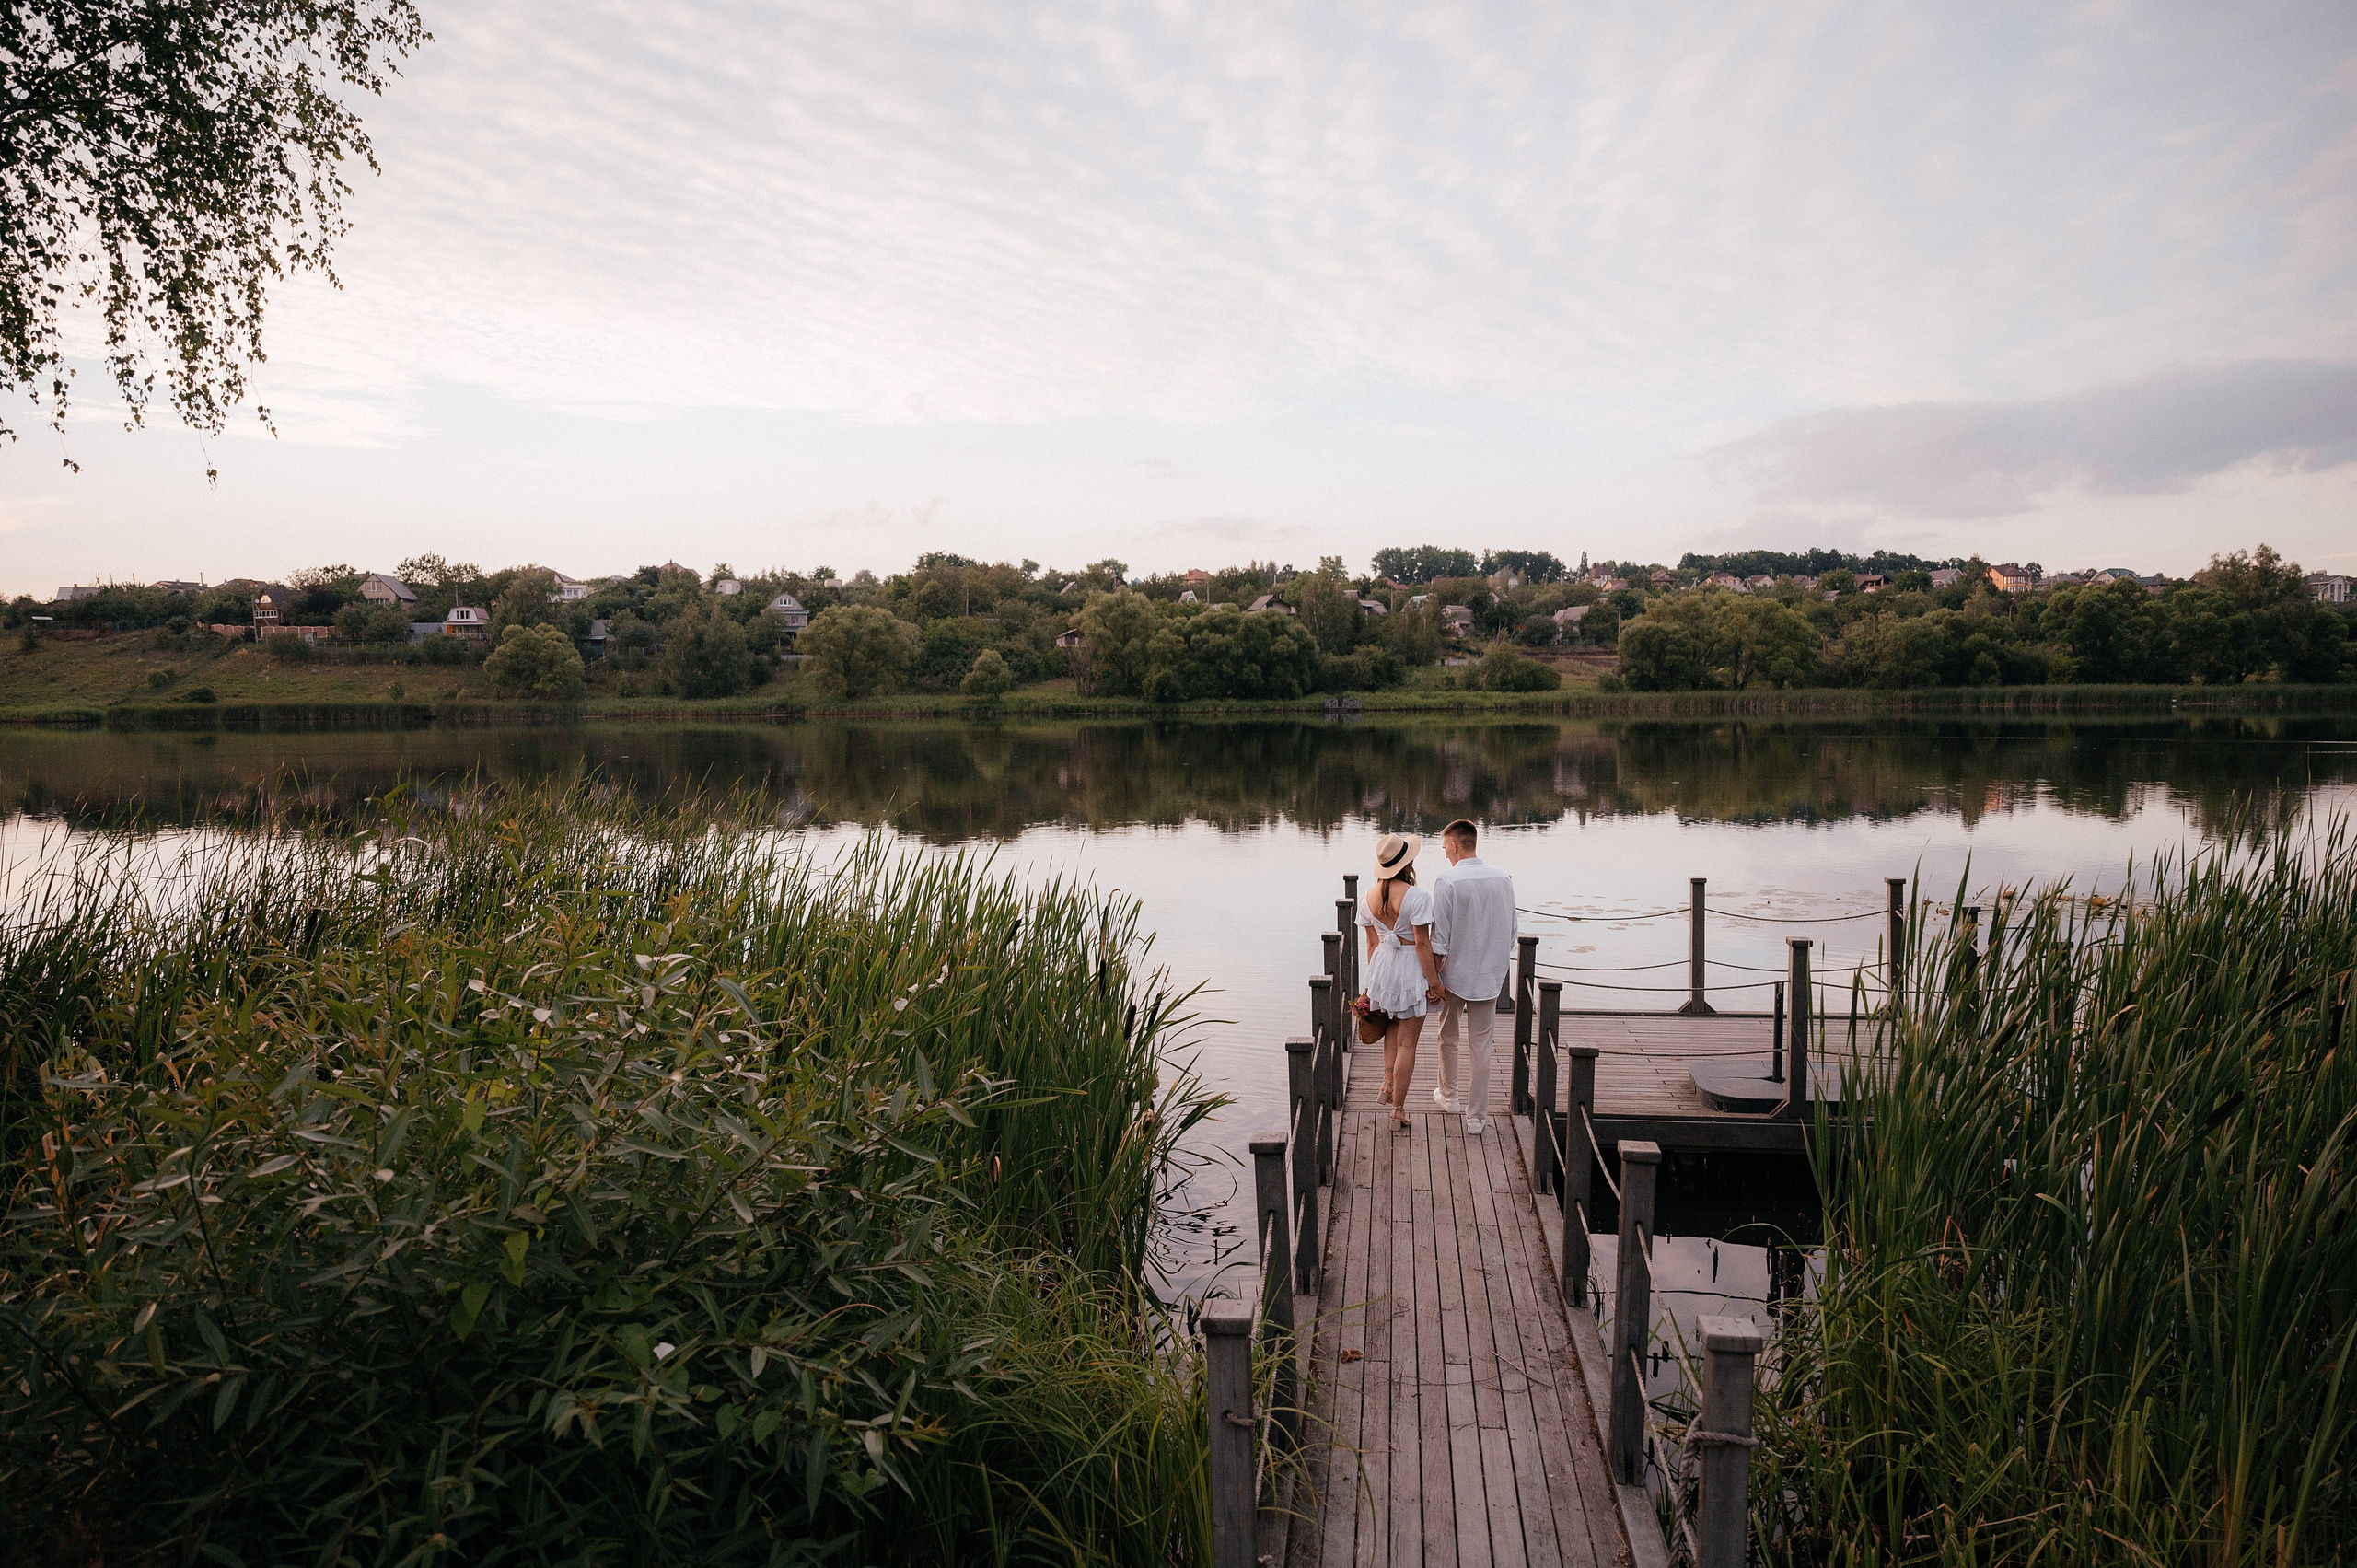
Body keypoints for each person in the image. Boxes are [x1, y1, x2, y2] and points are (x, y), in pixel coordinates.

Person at [1430, 818, 1515, 1134]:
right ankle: (1477, 1118)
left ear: (1454, 845)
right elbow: (1511, 932)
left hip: (1453, 975)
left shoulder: (1447, 881)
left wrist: (1433, 980)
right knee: (1481, 1046)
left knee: (1447, 1036)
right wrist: (1496, 967)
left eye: (1444, 849)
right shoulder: (1503, 879)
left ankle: (1449, 1096)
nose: (1445, 856)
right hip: (1489, 977)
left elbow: (1439, 940)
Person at [1358, 830, 1443, 1134]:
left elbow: (1371, 944)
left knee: (1392, 1028)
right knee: (1408, 1042)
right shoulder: (1417, 897)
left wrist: (1371, 987)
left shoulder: (1367, 897)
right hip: (1409, 969)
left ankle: (1387, 1081)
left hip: (1381, 967)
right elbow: (1422, 944)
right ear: (1407, 863)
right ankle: (1397, 1111)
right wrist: (1434, 984)